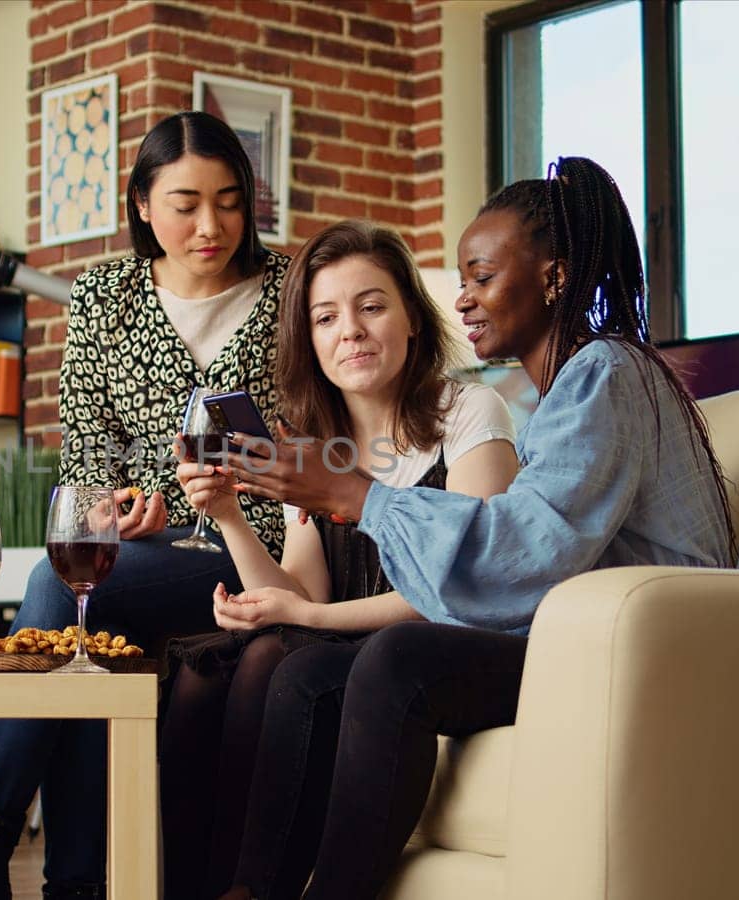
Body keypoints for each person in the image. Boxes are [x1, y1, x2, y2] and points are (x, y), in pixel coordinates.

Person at [215, 157, 736, 899]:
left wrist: (362, 496)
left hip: (638, 652)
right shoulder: (565, 392)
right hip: (575, 639)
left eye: (482, 277)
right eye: (461, 280)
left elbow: (524, 557)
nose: (463, 300)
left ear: (553, 277)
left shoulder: (605, 375)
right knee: (303, 674)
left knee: (399, 661)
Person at [0, 111, 289, 900]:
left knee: (64, 590)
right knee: (81, 615)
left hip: (254, 548)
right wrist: (117, 506)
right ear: (142, 203)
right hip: (138, 553)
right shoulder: (103, 296)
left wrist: (179, 507)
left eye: (229, 200)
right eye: (184, 202)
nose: (210, 224)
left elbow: (306, 438)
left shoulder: (291, 290)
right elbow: (85, 453)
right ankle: (71, 885)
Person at [159, 220, 519, 899]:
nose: (349, 330)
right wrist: (231, 516)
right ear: (310, 340)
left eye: (371, 306)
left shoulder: (470, 412)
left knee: (277, 655)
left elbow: (473, 582)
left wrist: (307, 613)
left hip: (431, 649)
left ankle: (250, 889)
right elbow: (297, 590)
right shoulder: (317, 445)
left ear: (412, 317)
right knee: (204, 670)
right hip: (345, 640)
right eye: (326, 317)